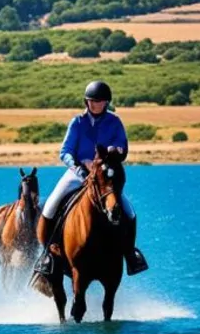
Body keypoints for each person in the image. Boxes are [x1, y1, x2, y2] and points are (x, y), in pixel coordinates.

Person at [36, 80, 147, 275]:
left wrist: (116, 150)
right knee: (50, 206)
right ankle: (47, 255)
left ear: (107, 103)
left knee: (129, 212)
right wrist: (78, 166)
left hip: (104, 177)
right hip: (77, 174)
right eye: (92, 101)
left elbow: (122, 146)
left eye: (100, 101)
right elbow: (65, 152)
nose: (96, 104)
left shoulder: (115, 122)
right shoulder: (77, 122)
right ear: (86, 102)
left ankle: (131, 254)